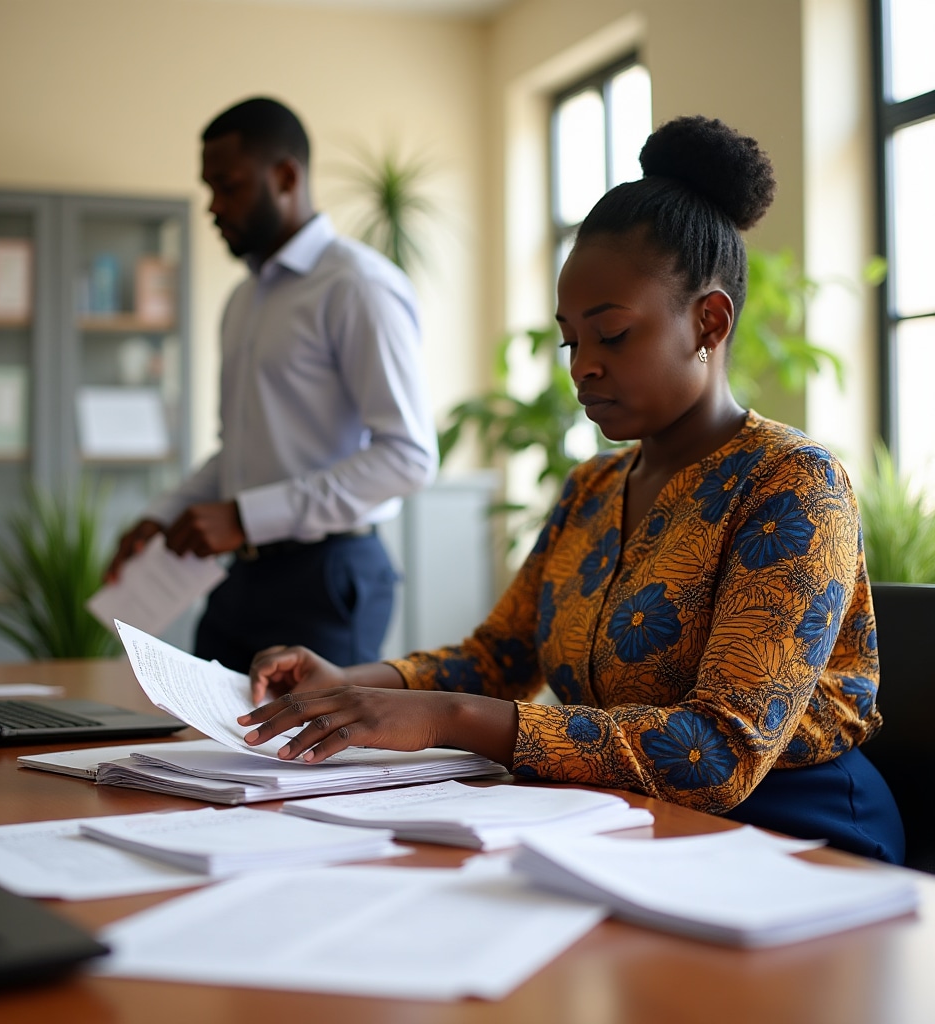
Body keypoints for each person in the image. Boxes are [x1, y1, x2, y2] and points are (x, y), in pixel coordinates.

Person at [238, 115, 905, 864]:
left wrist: (446, 716)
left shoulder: (791, 484)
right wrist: (351, 684)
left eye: (611, 335)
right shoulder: (593, 487)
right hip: (625, 823)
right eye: (569, 340)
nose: (581, 365)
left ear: (709, 322)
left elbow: (718, 751)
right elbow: (496, 657)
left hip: (797, 836)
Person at [107, 97, 438, 673]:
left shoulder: (357, 286)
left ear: (286, 176)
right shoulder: (243, 301)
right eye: (208, 188)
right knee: (199, 743)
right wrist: (164, 514)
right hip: (244, 575)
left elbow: (407, 457)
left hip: (329, 576)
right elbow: (239, 448)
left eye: (227, 186)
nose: (213, 207)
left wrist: (245, 516)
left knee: (314, 760)